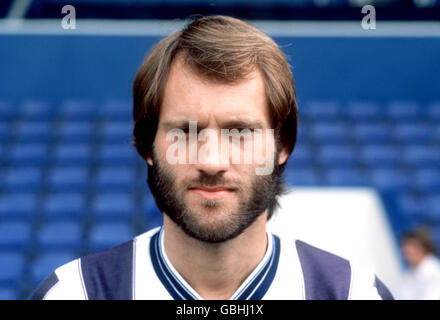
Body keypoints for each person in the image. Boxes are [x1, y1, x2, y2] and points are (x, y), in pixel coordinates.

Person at [31, 15, 393, 300]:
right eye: (185, 132)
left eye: (241, 132)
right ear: (148, 147)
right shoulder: (75, 293)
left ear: (282, 146)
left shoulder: (352, 293)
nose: (212, 160)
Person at [396, 229, 440, 300]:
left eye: (411, 246)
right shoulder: (409, 273)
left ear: (423, 248)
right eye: (405, 246)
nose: (405, 250)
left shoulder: (436, 273)